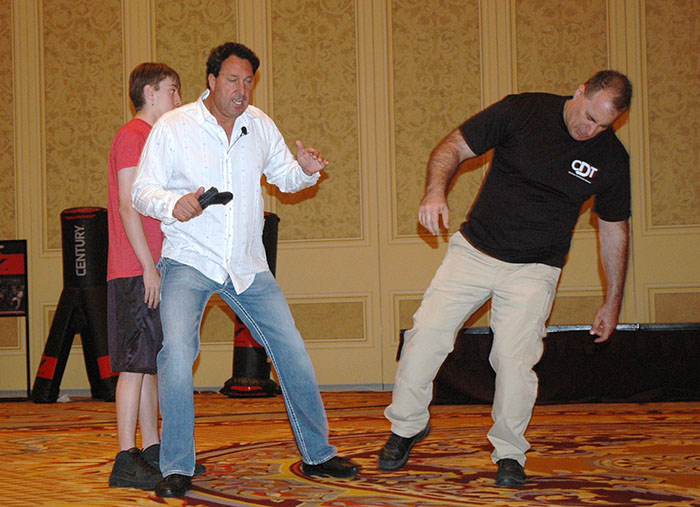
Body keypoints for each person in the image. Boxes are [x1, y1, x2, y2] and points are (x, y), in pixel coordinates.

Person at [377, 70, 632, 487]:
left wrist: (612, 300)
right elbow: (453, 147)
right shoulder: (523, 110)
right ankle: (407, 426)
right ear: (580, 91)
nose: (590, 130)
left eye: (603, 125)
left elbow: (614, 228)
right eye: (589, 117)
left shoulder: (611, 159)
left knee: (514, 362)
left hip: (535, 269)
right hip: (475, 252)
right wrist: (435, 191)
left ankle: (510, 453)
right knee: (426, 335)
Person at [132, 42, 360, 498]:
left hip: (247, 265)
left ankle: (318, 455)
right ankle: (176, 466)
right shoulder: (174, 126)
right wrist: (173, 203)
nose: (241, 90)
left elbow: (285, 178)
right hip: (190, 259)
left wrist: (305, 170)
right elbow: (142, 191)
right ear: (212, 80)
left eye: (248, 81)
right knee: (176, 354)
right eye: (233, 80)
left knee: (292, 351)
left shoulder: (259, 125)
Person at [107, 63, 182, 489]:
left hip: (149, 267)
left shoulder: (152, 139)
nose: (177, 99)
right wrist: (148, 267)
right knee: (133, 367)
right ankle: (125, 457)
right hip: (136, 269)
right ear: (150, 92)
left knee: (149, 363)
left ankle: (152, 449)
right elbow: (127, 204)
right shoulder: (133, 136)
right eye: (172, 90)